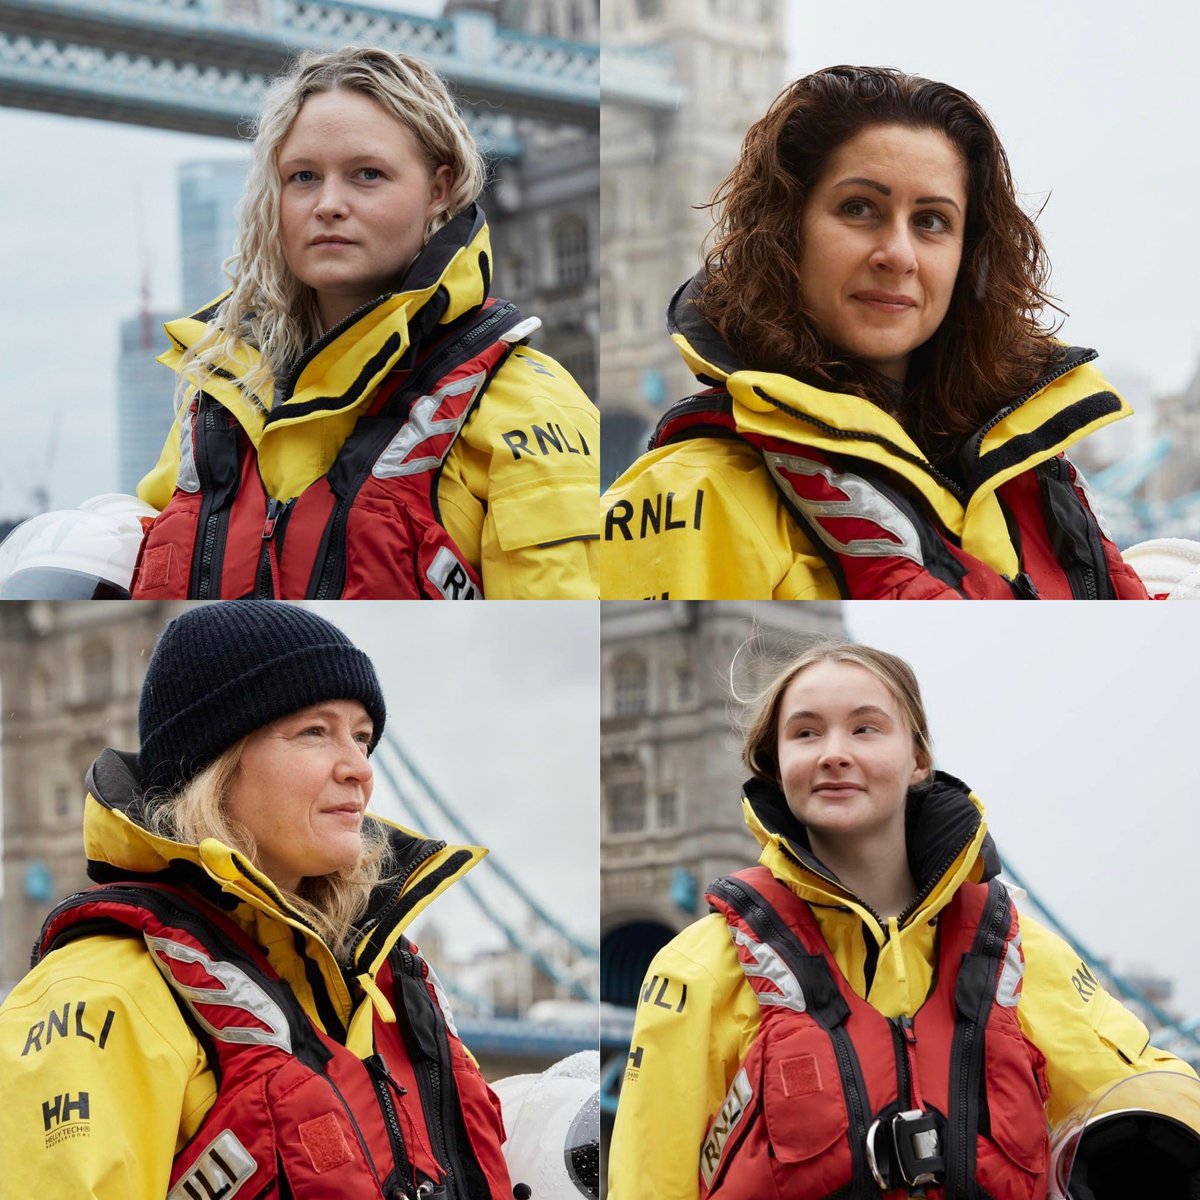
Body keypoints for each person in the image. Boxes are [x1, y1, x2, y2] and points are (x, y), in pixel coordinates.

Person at [607, 640, 1194, 1198]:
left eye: (865, 728)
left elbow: (1150, 1099)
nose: (834, 751)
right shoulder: (698, 969)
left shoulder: (1016, 951)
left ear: (918, 759)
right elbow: (649, 1182)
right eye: (806, 732)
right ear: (777, 766)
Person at [0, 601, 516, 1198]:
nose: (360, 769)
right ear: (214, 767)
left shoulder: (393, 980)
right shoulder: (100, 995)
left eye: (363, 737)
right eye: (315, 732)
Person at [600, 66, 1149, 600]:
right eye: (859, 208)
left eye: (931, 220)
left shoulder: (1040, 480)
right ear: (785, 231)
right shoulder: (694, 491)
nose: (898, 255)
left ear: (970, 255)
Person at [132, 46, 599, 600]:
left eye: (367, 175)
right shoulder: (214, 401)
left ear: (438, 189)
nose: (329, 203)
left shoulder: (527, 405)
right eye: (303, 176)